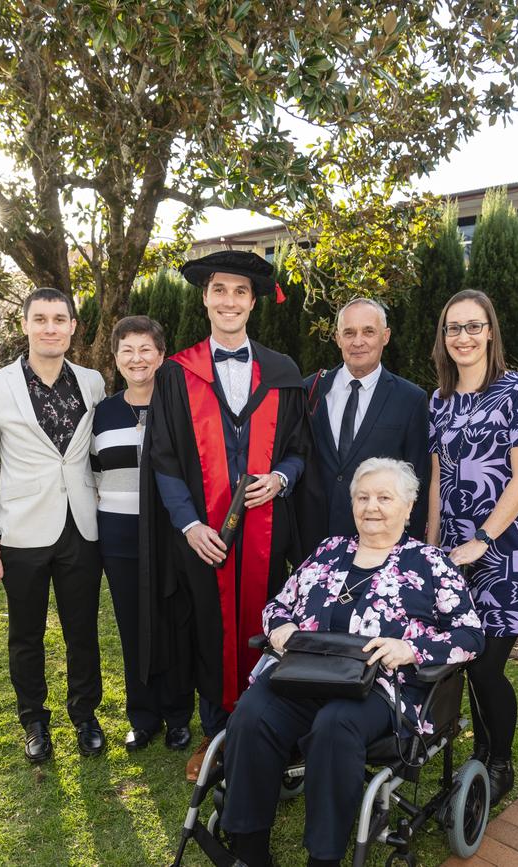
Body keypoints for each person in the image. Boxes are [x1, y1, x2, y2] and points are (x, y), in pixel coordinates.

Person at [221, 457, 484, 867]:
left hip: (380, 687)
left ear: (408, 505)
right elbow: (279, 605)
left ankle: (323, 857)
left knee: (334, 725)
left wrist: (410, 649)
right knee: (251, 714)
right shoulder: (329, 551)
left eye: (384, 497)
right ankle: (249, 849)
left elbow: (470, 634)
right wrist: (280, 629)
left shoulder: (431, 563)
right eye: (362, 497)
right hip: (305, 675)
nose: (371, 507)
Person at [149, 250, 325, 781]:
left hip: (266, 537)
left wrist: (281, 479)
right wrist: (189, 525)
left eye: (240, 292)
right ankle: (214, 733)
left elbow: (299, 451)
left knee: (268, 628)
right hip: (206, 538)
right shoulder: (177, 374)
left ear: (253, 302)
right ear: (205, 298)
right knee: (209, 632)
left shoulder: (283, 372)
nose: (229, 301)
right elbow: (163, 459)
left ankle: (270, 727)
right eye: (219, 290)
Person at [428, 288, 518, 807]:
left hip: (508, 552)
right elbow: (437, 480)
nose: (463, 337)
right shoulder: (439, 398)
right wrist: (429, 550)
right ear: (444, 337)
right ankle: (480, 757)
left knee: (485, 665)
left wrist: (483, 539)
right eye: (454, 328)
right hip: (456, 552)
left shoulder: (516, 390)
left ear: (491, 331)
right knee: (464, 657)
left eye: (473, 326)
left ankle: (497, 762)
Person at [0, 287, 106, 763]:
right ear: (25, 325)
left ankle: (85, 715)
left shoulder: (92, 382)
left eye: (59, 319)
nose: (50, 327)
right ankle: (34, 721)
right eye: (41, 319)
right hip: (21, 530)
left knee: (82, 629)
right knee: (26, 634)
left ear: (72, 327)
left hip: (81, 527)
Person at [91, 316, 194, 753]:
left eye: (145, 349)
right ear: (116, 359)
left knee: (173, 623)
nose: (137, 358)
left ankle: (177, 715)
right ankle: (143, 716)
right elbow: (93, 473)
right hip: (120, 536)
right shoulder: (103, 413)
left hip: (172, 535)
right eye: (127, 350)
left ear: (161, 354)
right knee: (133, 628)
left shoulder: (180, 405)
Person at [306, 298, 430, 539]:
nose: (358, 341)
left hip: (380, 544)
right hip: (315, 542)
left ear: (385, 336)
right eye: (349, 332)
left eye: (368, 332)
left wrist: (406, 551)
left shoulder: (411, 400)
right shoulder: (310, 391)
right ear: (338, 338)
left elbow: (418, 484)